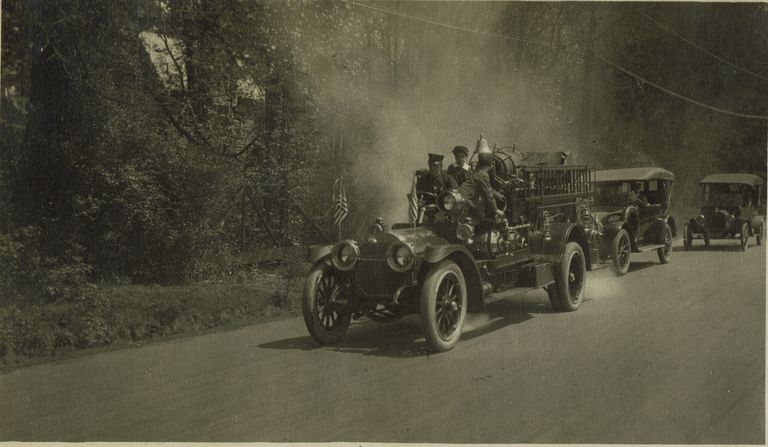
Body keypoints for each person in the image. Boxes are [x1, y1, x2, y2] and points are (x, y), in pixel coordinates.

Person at [459, 153, 505, 219]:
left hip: (460, 199)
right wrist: (495, 210)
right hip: (466, 202)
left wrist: (498, 195)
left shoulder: (478, 173)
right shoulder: (484, 175)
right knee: (483, 212)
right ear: (491, 165)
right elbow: (488, 195)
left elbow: (486, 188)